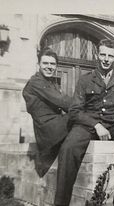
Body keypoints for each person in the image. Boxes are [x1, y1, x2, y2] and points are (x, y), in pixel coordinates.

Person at [51, 39, 114, 206]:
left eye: (110, 55)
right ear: (96, 55)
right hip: (87, 124)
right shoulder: (85, 79)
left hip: (113, 121)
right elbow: (75, 111)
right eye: (103, 55)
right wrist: (95, 125)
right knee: (68, 148)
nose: (106, 59)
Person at [23, 48, 72, 177]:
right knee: (81, 117)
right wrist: (83, 107)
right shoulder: (36, 82)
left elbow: (63, 102)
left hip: (54, 125)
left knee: (82, 117)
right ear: (38, 64)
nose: (49, 67)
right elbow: (62, 101)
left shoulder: (50, 82)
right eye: (45, 63)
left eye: (52, 64)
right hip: (48, 130)